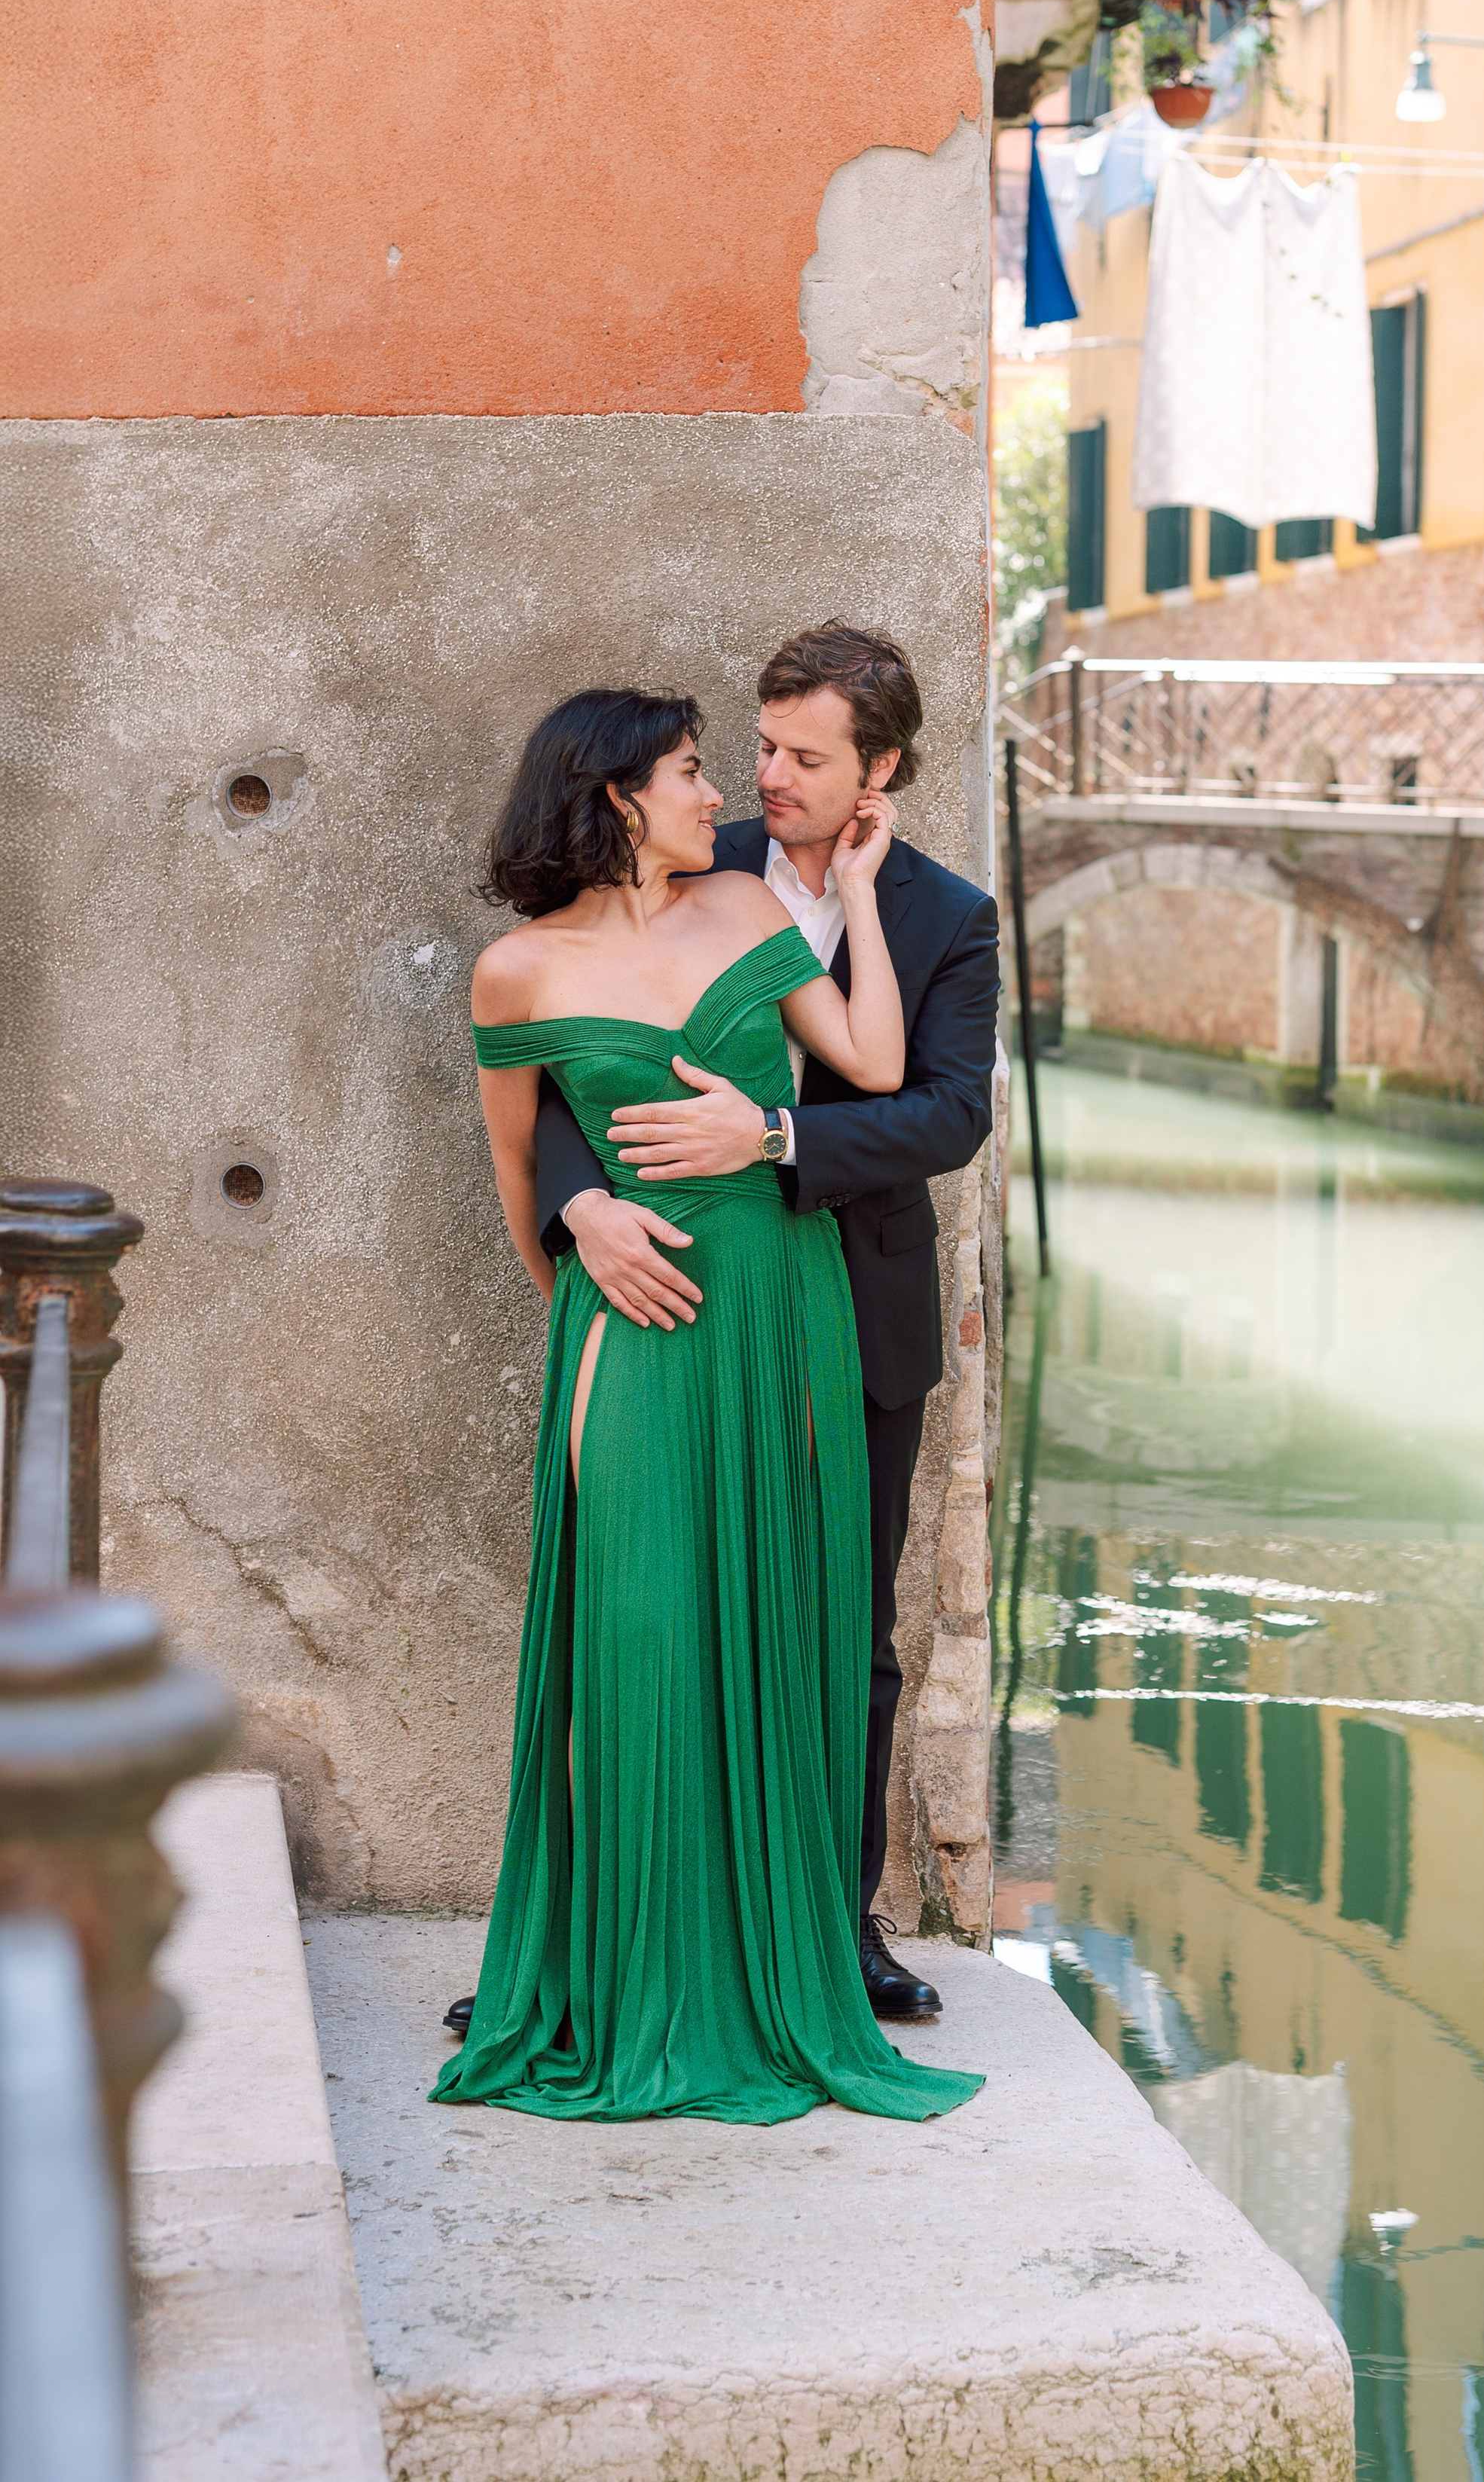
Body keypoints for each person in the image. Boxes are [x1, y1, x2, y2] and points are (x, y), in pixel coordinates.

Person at [432, 686, 981, 2125]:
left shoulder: (755, 908)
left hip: (789, 1314)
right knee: (642, 1633)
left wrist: (854, 896)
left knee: (787, 1629)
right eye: (702, 765)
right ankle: (615, 1973)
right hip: (633, 1334)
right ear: (621, 798)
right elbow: (518, 1174)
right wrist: (587, 1248)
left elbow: (888, 1071)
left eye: (788, 756)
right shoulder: (517, 973)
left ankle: (784, 1958)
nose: (735, 784)